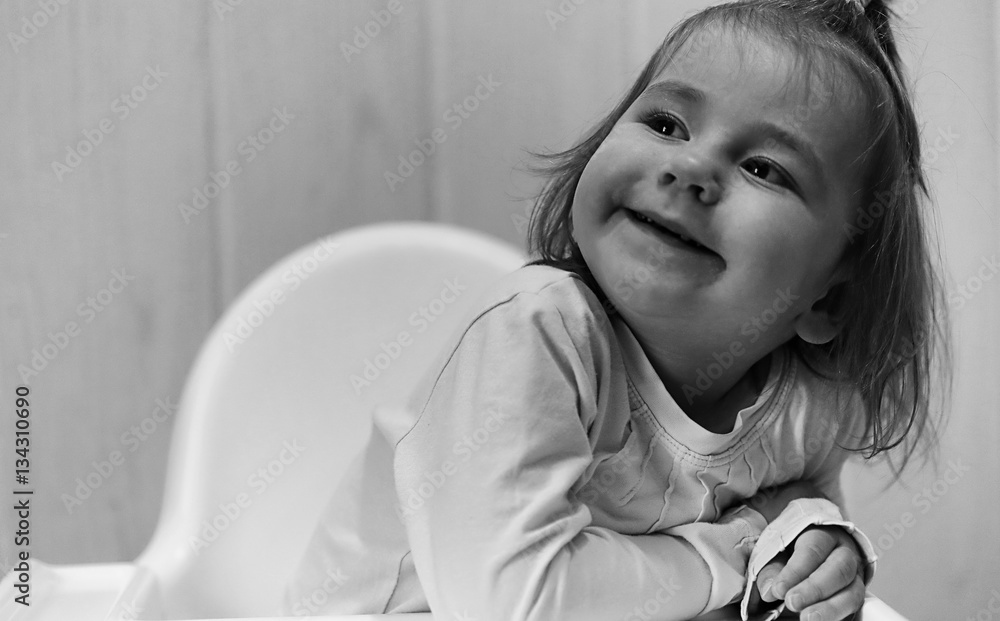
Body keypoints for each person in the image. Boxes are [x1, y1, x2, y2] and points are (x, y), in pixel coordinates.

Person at [284, 0, 949, 619]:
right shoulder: (538, 331)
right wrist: (734, 549)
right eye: (666, 124)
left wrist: (818, 544)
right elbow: (518, 599)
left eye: (764, 169)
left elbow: (797, 518)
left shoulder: (808, 405)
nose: (692, 166)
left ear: (827, 299)